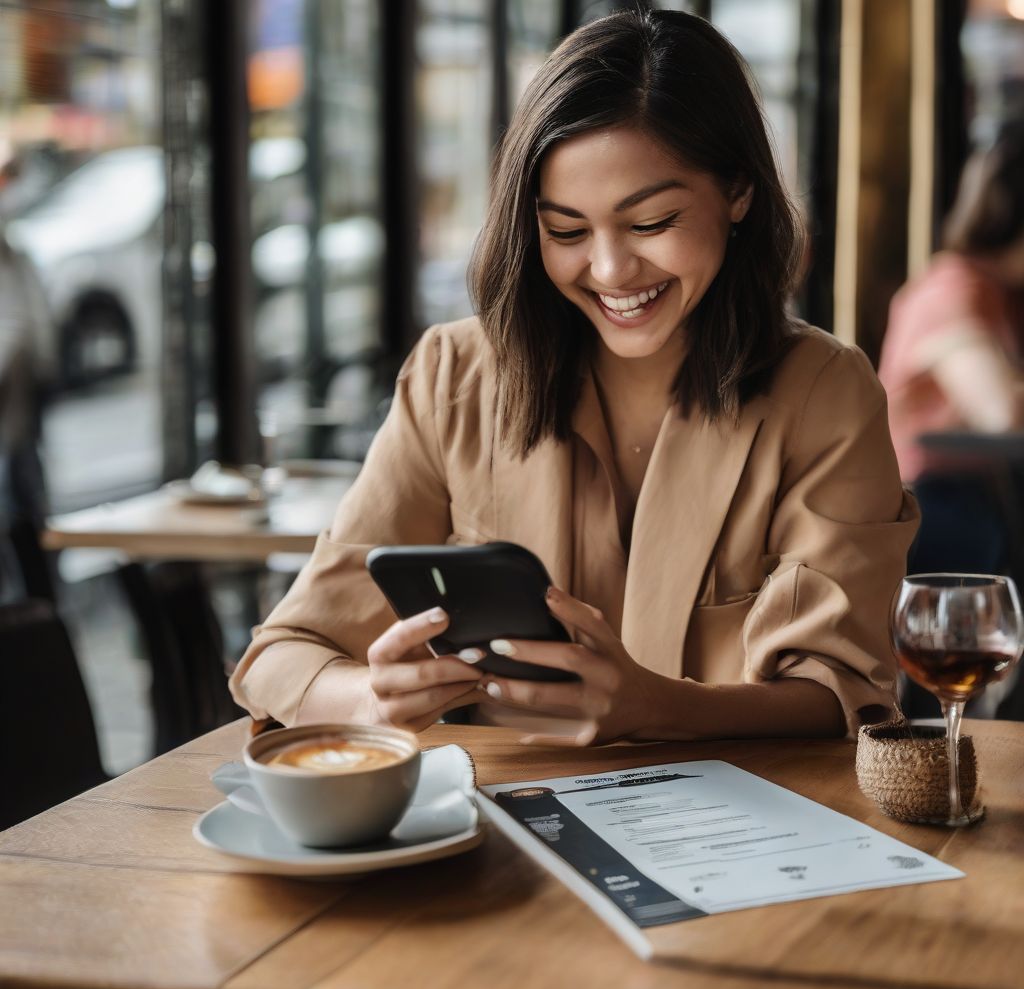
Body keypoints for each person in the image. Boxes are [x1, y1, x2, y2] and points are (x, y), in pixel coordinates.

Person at [230, 9, 917, 746]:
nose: (612, 270)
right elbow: (282, 654)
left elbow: (844, 694)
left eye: (652, 223)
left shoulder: (826, 392)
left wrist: (656, 708)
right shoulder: (452, 376)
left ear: (739, 192)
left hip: (741, 833)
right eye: (565, 231)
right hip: (494, 828)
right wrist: (373, 698)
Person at [878, 117, 1024, 576]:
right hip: (921, 508)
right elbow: (1002, 414)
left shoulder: (1001, 293)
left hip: (975, 498)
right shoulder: (951, 287)